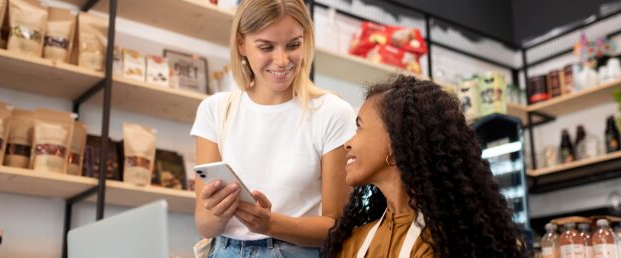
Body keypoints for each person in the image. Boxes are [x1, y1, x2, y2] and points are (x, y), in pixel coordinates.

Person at [189, 0, 356, 257]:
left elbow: (337, 226)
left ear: (306, 40)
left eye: (293, 45)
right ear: (241, 44)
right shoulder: (215, 110)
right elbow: (205, 225)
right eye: (266, 47)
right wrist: (218, 211)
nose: (282, 60)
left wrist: (271, 224)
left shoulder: (332, 112)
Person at [322, 75, 527, 258]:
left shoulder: (448, 243)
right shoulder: (352, 243)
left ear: (394, 143)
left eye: (359, 127)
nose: (347, 143)